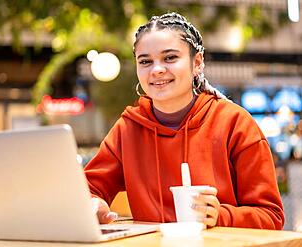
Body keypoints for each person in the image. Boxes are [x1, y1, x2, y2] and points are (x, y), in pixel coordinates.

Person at [84, 12, 284, 229]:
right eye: (145, 61)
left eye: (170, 58)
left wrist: (220, 216)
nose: (157, 69)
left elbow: (271, 216)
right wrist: (93, 204)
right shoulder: (128, 128)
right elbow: (87, 190)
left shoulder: (235, 123)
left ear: (197, 62)